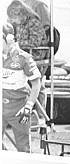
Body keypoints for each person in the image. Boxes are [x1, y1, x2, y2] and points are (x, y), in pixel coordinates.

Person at [2, 22, 41, 153]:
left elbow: (36, 84)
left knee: (23, 149)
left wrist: (29, 106)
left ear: (9, 39)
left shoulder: (24, 57)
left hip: (18, 107)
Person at [6, 0, 48, 69]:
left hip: (36, 52)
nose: (13, 21)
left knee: (10, 63)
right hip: (25, 51)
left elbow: (34, 42)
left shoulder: (33, 22)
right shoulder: (20, 24)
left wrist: (17, 44)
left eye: (14, 18)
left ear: (21, 14)